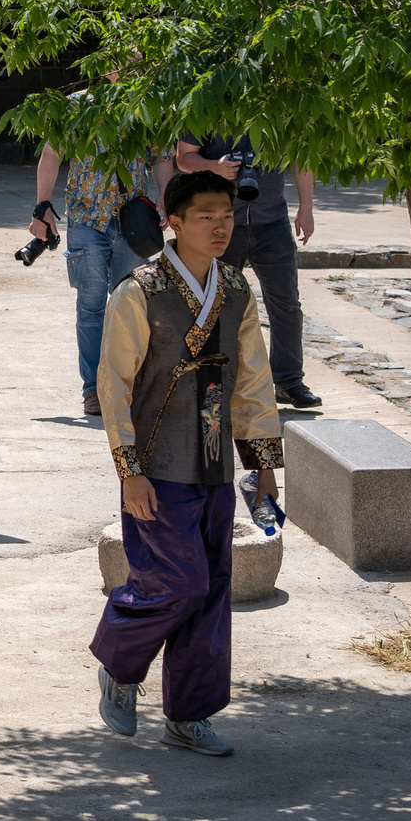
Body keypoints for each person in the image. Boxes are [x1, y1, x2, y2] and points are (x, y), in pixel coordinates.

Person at [90, 169, 283, 757]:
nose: (220, 227)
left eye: (226, 216)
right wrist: (129, 472)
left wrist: (264, 466)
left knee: (212, 592)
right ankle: (120, 664)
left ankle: (189, 715)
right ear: (173, 222)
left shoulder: (236, 287)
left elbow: (253, 379)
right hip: (155, 463)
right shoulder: (139, 291)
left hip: (214, 462)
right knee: (178, 583)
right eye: (205, 216)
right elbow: (113, 385)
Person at [27, 135, 170, 417]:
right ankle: (93, 388)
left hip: (134, 217)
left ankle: (128, 383)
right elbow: (51, 152)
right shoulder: (75, 111)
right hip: (86, 217)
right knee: (91, 305)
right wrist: (42, 206)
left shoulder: (145, 111)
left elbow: (161, 155)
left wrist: (166, 191)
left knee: (130, 306)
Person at [174, 134, 320, 407]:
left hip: (272, 220)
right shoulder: (209, 108)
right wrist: (215, 166)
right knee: (213, 305)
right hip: (221, 222)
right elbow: (183, 158)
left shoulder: (281, 109)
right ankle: (215, 383)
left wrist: (306, 208)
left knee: (286, 303)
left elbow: (302, 155)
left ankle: (289, 382)